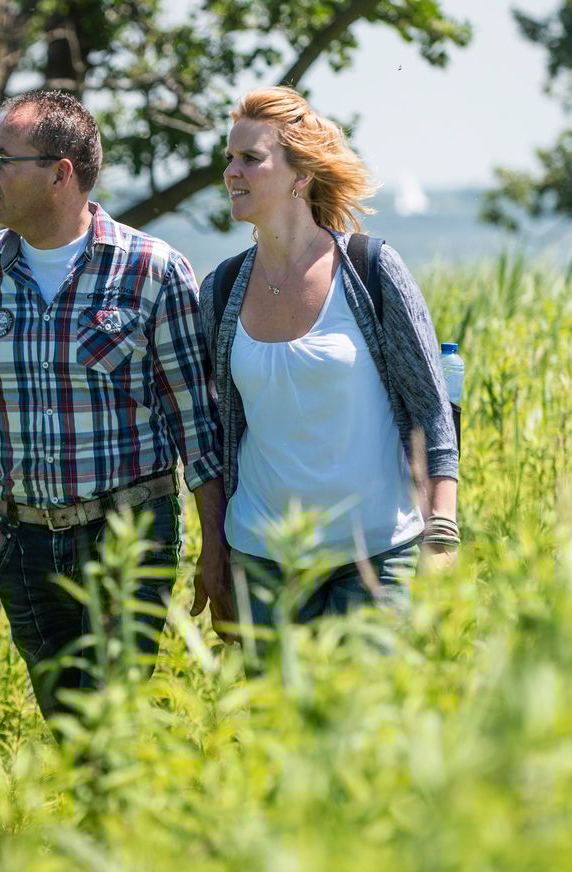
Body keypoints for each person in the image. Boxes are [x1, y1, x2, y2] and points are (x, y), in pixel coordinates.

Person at [0, 90, 227, 723]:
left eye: (2, 159)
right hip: (22, 545)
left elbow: (196, 424)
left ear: (59, 173)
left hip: (129, 536)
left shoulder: (153, 270)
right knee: (69, 733)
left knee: (113, 727)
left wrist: (215, 548)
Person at [196, 86, 460, 637]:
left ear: (300, 176)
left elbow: (432, 412)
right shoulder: (219, 290)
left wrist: (441, 535)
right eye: (229, 158)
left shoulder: (370, 269)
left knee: (368, 723)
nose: (231, 172)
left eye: (250, 158)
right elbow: (213, 435)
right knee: (275, 726)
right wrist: (215, 551)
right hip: (263, 560)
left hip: (377, 557)